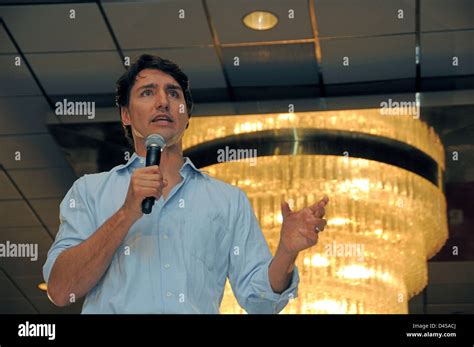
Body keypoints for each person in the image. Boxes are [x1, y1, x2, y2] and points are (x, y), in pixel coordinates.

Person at [43, 54, 329, 314]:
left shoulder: (227, 200)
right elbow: (60, 290)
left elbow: (260, 303)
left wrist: (287, 252)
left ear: (186, 115)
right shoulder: (89, 192)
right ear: (126, 116)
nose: (163, 102)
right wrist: (126, 213)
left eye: (172, 93)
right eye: (147, 92)